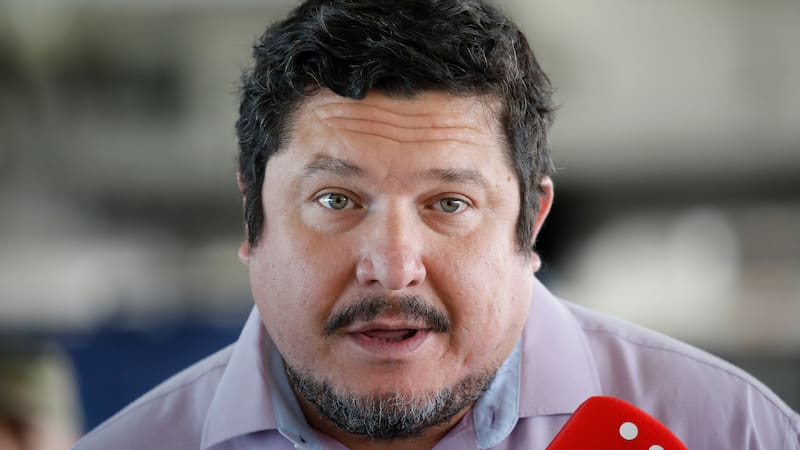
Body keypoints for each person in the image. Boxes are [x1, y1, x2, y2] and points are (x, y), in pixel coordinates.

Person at [73, 0, 799, 449]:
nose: (393, 268)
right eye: (336, 200)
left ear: (530, 225)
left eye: (449, 204)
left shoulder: (735, 433)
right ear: (252, 214)